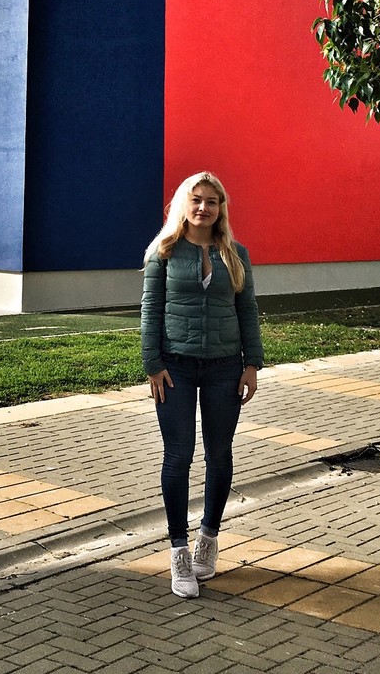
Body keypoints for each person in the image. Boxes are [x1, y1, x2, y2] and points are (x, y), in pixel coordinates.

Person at [140, 171, 264, 598]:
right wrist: (152, 364)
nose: (203, 208)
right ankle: (178, 551)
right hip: (174, 367)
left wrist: (253, 364)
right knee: (178, 455)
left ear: (220, 208)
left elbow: (247, 310)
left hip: (225, 367)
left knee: (219, 453)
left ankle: (207, 541)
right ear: (183, 203)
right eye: (196, 200)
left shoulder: (236, 254)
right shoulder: (164, 252)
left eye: (212, 201)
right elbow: (150, 310)